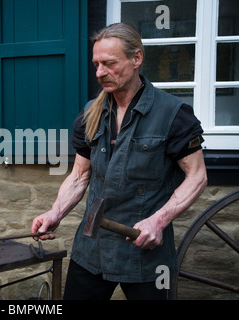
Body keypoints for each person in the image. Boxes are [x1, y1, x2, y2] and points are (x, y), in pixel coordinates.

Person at [31, 23, 207, 300]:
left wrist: (158, 221)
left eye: (109, 64)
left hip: (145, 254)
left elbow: (197, 177)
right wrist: (56, 212)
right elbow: (79, 175)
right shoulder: (90, 112)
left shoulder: (173, 114)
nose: (100, 73)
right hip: (92, 250)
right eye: (96, 64)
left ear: (137, 58)